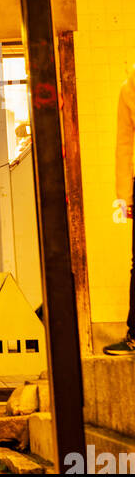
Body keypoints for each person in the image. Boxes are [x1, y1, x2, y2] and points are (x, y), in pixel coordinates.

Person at [105, 66, 135, 355]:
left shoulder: (129, 86)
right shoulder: (129, 88)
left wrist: (123, 199)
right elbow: (124, 148)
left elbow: (124, 148)